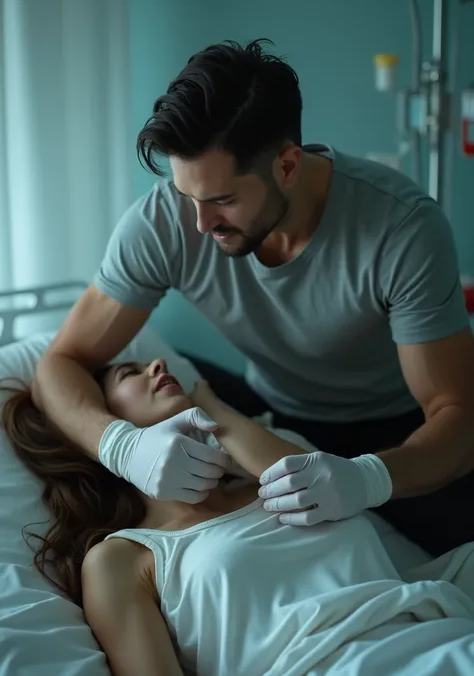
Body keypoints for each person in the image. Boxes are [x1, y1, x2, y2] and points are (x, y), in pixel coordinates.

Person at [33, 38, 474, 559]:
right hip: (268, 403)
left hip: (395, 426)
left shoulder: (402, 229)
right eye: (188, 196)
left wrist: (367, 478)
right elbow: (59, 363)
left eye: (222, 200)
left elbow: (457, 414)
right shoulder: (164, 222)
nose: (199, 224)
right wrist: (123, 448)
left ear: (288, 165)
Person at [4, 362, 474, 676]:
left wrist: (213, 409)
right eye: (131, 372)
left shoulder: (273, 482)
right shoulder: (124, 558)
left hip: (439, 637)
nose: (159, 366)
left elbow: (300, 465)